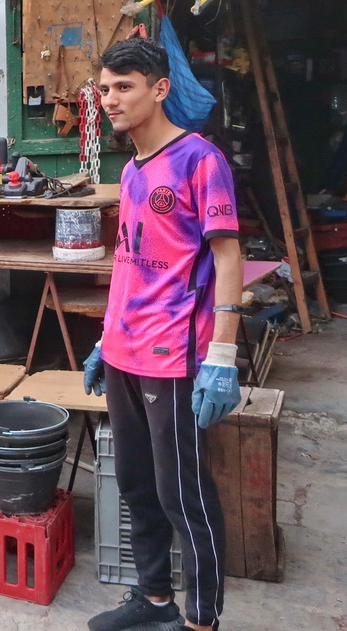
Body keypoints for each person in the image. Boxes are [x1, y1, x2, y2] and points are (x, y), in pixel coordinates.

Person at [83, 38, 243, 631]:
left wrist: (221, 353)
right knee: (136, 485)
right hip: (126, 351)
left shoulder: (200, 160)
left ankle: (201, 621)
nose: (111, 99)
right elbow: (128, 260)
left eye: (124, 87)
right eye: (105, 88)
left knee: (184, 494)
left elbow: (229, 257)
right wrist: (105, 338)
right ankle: (153, 603)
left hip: (172, 354)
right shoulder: (129, 171)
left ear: (160, 89)